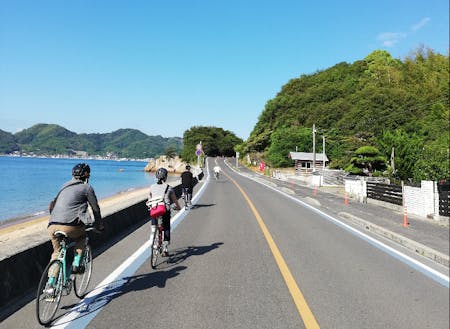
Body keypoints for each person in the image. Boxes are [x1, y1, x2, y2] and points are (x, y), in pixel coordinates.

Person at [47, 163, 104, 282]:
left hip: (52, 225)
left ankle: (51, 285)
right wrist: (99, 225)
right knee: (81, 237)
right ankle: (77, 264)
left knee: (57, 252)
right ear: (87, 175)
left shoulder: (64, 186)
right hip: (71, 225)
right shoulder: (87, 187)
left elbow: (53, 205)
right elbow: (95, 208)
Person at [148, 168, 181, 257]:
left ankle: (152, 235)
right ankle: (165, 249)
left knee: (154, 225)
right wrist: (178, 207)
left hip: (154, 209)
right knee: (166, 227)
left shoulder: (152, 186)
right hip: (164, 210)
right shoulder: (169, 188)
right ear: (166, 177)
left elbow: (149, 198)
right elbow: (175, 200)